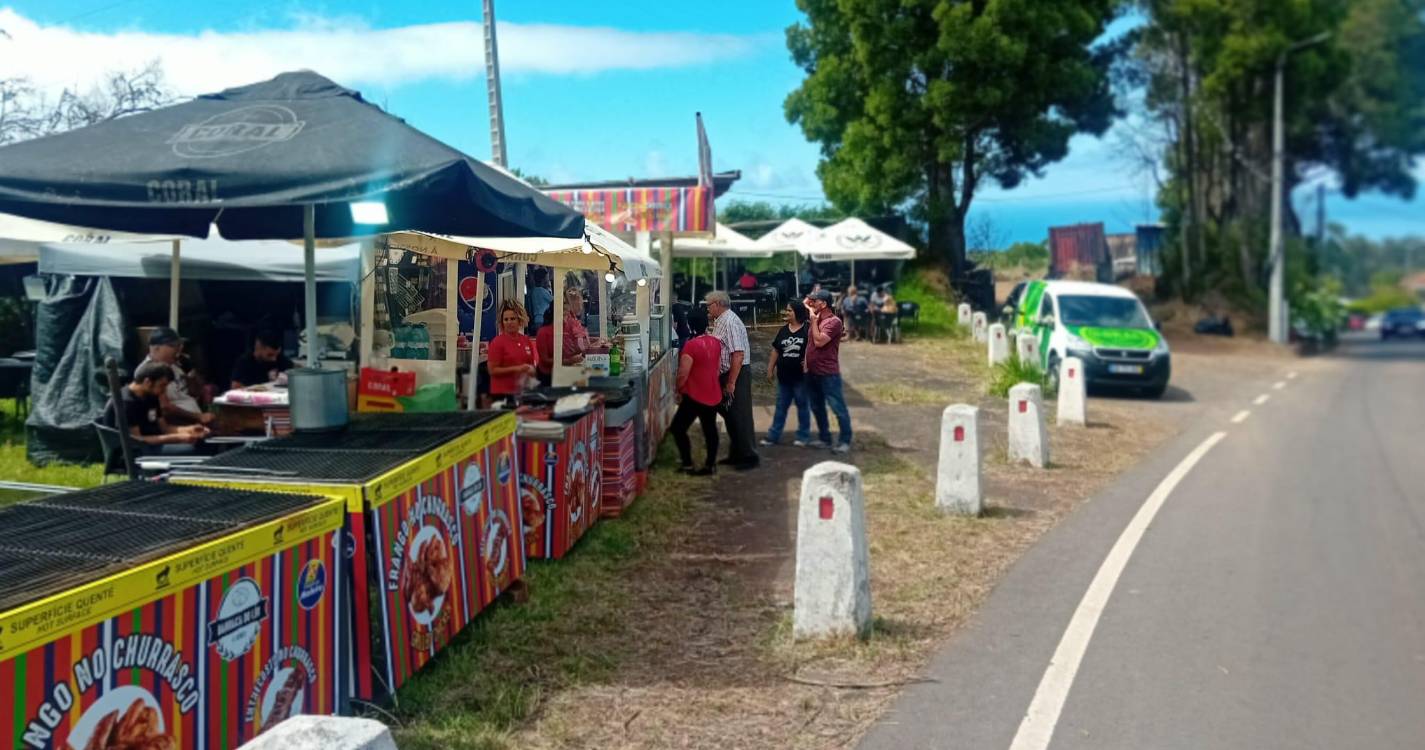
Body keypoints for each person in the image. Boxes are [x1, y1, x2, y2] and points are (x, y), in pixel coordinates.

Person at [104, 362, 209, 454]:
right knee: (193, 449)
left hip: (153, 441)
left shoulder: (152, 396)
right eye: (162, 385)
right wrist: (176, 438)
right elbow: (136, 439)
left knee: (203, 443)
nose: (164, 390)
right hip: (136, 450)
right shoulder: (126, 402)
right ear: (147, 382)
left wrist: (189, 430)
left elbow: (164, 428)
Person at [705, 290, 758, 470]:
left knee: (740, 414)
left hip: (736, 372)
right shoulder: (720, 321)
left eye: (709, 305)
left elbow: (738, 354)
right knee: (730, 414)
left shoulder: (730, 321)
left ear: (718, 304)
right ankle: (737, 453)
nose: (707, 308)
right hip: (726, 372)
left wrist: (731, 382)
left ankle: (749, 456)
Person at [670, 309, 723, 475]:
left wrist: (678, 389)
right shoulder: (715, 342)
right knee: (710, 430)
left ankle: (687, 464)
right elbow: (717, 366)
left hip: (694, 394)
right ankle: (710, 464)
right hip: (713, 392)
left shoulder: (690, 346)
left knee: (678, 428)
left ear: (690, 324)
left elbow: (683, 372)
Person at [805, 289, 853, 453]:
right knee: (817, 407)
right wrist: (811, 306)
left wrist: (813, 320)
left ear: (824, 304)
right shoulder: (817, 317)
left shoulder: (834, 322)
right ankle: (825, 439)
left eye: (815, 301)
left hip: (828, 374)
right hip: (813, 372)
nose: (811, 304)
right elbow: (805, 302)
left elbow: (819, 342)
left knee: (837, 408)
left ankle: (845, 441)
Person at [760, 302, 812, 447]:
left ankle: (803, 436)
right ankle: (773, 436)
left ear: (797, 313)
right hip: (784, 378)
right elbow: (776, 351)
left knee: (803, 407)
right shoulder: (783, 330)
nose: (787, 313)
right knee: (780, 407)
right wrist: (770, 369)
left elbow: (815, 349)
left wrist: (810, 362)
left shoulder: (807, 330)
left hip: (801, 379)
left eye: (789, 311)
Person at [139, 327, 212, 426]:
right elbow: (165, 408)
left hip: (195, 419)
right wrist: (197, 417)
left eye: (179, 345)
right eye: (173, 345)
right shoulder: (149, 371)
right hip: (178, 424)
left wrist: (190, 371)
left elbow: (195, 391)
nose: (178, 349)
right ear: (156, 348)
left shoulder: (174, 366)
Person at [487, 300, 538, 405]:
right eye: (506, 319)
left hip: (523, 392)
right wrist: (518, 369)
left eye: (512, 319)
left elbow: (531, 365)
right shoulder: (497, 342)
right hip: (503, 394)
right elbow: (492, 370)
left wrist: (532, 371)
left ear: (519, 320)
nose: (509, 322)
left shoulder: (526, 341)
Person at [525, 267, 554, 336]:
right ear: (543, 279)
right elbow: (554, 301)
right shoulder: (542, 291)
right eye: (547, 278)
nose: (548, 280)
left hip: (536, 318)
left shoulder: (533, 291)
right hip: (542, 319)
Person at [534, 308, 556, 387]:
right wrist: (564, 361)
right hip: (545, 375)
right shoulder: (543, 332)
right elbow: (545, 359)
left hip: (560, 372)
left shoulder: (564, 330)